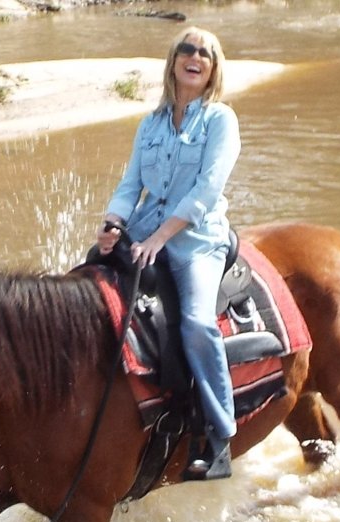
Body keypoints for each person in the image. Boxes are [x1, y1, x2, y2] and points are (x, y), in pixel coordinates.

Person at [96, 26, 240, 480]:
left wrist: (161, 238)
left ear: (213, 68)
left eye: (205, 53)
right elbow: (130, 185)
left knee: (197, 322)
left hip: (197, 240)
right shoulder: (151, 123)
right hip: (142, 231)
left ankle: (219, 435)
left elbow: (206, 190)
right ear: (174, 60)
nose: (195, 56)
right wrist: (113, 224)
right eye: (187, 49)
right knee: (85, 279)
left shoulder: (220, 121)